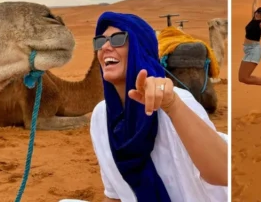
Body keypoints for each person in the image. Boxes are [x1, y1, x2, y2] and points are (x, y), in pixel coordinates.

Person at [91, 12, 228, 202]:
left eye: (117, 39)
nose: (105, 47)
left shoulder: (178, 102)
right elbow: (114, 195)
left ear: (140, 48)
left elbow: (223, 173)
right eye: (100, 41)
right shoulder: (100, 116)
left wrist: (172, 106)